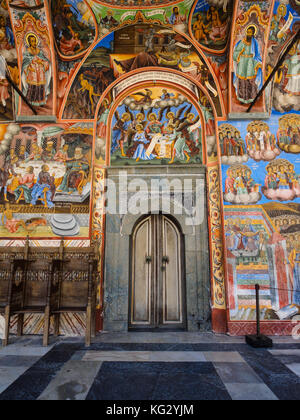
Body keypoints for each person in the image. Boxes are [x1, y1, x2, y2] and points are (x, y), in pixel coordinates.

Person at [233, 25, 263, 104]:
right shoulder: (242, 42)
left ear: (253, 33)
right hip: (242, 63)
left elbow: (257, 54)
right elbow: (235, 52)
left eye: (250, 32)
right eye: (248, 32)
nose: (249, 34)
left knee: (250, 81)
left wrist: (258, 63)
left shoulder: (255, 43)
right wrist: (239, 53)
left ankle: (251, 98)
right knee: (242, 81)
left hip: (250, 63)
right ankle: (242, 98)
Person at [22, 33, 51, 107]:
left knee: (40, 86)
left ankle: (40, 101)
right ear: (29, 42)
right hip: (32, 72)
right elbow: (24, 63)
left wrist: (41, 62)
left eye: (34, 41)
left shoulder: (39, 51)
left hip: (40, 72)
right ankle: (30, 101)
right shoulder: (27, 51)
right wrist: (28, 67)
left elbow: (45, 60)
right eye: (32, 41)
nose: (34, 43)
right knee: (32, 87)